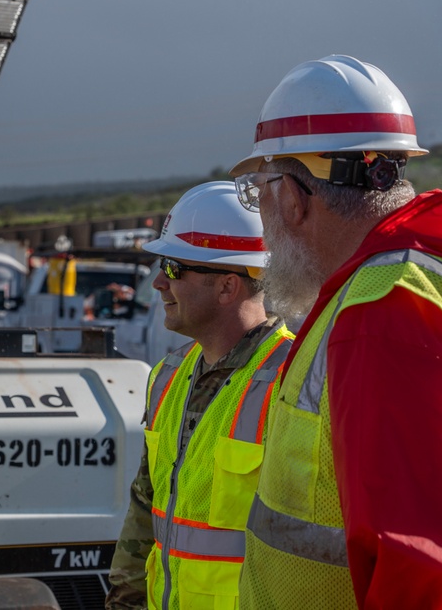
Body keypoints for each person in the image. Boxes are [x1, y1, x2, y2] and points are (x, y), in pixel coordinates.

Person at [230, 55, 442, 609]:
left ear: (294, 198)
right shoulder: (415, 281)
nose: (263, 216)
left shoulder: (384, 309)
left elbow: (434, 574)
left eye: (259, 193)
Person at [106, 181, 293, 609]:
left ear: (228, 287)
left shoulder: (292, 381)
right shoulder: (168, 375)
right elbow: (144, 508)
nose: (157, 283)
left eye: (173, 267)